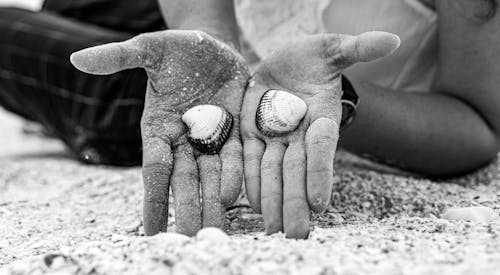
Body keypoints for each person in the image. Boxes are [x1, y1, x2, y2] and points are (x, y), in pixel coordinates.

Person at [0, 0, 499, 239]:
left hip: (225, 107)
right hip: (197, 62)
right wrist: (205, 40)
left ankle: (73, 119)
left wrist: (341, 93)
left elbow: (480, 125)